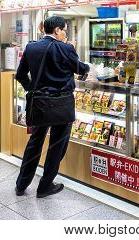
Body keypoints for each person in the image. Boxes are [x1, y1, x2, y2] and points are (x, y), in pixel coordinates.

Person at [15, 16, 89, 198]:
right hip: (62, 104)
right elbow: (80, 69)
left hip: (39, 103)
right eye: (64, 30)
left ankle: (21, 184)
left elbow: (20, 74)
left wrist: (33, 88)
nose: (65, 33)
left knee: (35, 143)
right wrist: (84, 65)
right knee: (56, 145)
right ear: (57, 30)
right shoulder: (66, 48)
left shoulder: (31, 47)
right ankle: (45, 186)